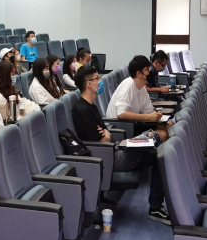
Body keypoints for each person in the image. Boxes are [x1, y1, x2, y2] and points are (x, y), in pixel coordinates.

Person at [72, 66, 170, 225]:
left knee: (160, 157)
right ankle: (147, 137)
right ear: (89, 84)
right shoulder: (82, 110)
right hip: (109, 158)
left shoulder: (91, 106)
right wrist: (106, 134)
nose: (100, 81)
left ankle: (155, 207)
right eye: (97, 78)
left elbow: (105, 133)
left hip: (115, 149)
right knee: (157, 135)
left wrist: (106, 133)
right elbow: (103, 140)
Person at [106, 55, 171, 142]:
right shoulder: (128, 86)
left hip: (135, 123)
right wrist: (148, 117)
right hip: (123, 127)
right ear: (139, 74)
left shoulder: (142, 88)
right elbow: (121, 113)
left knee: (170, 124)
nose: (150, 71)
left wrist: (156, 115)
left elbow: (149, 111)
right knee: (162, 134)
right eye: (147, 69)